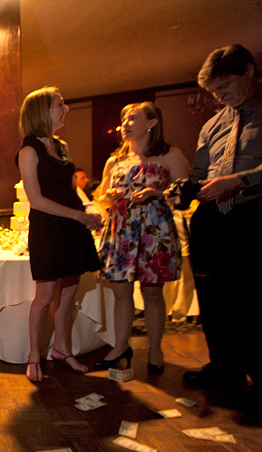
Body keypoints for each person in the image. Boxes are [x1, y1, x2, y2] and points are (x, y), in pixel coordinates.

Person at [182, 44, 262, 418]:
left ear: (249, 71)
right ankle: (226, 367)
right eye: (215, 92)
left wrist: (239, 181)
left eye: (226, 86)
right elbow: (202, 174)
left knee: (255, 301)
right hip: (212, 217)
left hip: (257, 213)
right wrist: (184, 188)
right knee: (214, 299)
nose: (220, 97)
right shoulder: (212, 124)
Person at [94, 102, 189, 374]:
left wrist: (155, 193)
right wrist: (109, 195)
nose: (125, 124)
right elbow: (100, 194)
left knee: (152, 292)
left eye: (132, 118)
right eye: (123, 119)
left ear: (152, 122)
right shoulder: (115, 160)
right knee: (121, 291)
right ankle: (120, 346)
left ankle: (156, 349)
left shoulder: (170, 155)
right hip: (121, 229)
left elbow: (185, 193)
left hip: (154, 231)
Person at [17, 87, 102, 382]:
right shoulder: (28, 151)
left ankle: (62, 351)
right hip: (49, 228)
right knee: (44, 297)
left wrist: (90, 207)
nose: (65, 108)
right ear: (42, 111)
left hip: (72, 226)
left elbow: (71, 187)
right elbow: (36, 199)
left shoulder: (61, 145)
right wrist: (79, 215)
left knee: (68, 293)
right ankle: (33, 356)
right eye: (60, 104)